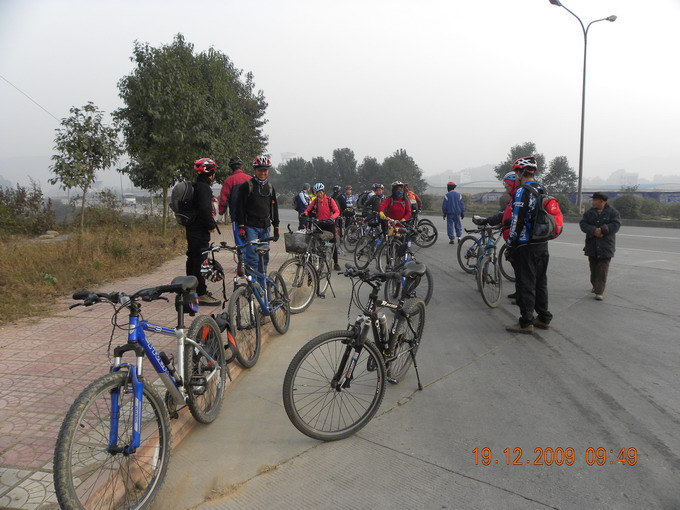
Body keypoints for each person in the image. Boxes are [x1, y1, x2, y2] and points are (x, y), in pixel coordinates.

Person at [505, 157, 552, 334]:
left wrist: (510, 242)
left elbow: (517, 220)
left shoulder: (522, 191)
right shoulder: (542, 188)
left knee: (526, 283)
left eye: (516, 172)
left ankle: (526, 322)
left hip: (526, 244)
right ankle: (544, 317)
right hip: (542, 242)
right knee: (540, 282)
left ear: (520, 172)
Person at [234, 156, 280, 289]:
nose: (263, 173)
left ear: (268, 171)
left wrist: (276, 226)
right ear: (255, 170)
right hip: (251, 227)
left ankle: (261, 286)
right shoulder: (247, 186)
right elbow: (240, 207)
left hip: (265, 227)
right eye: (260, 170)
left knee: (264, 258)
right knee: (252, 257)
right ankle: (252, 286)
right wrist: (241, 226)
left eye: (265, 170)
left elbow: (274, 208)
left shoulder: (270, 187)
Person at [187, 158, 221, 306]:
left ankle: (190, 290)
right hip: (200, 230)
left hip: (191, 228)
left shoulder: (194, 186)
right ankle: (201, 293)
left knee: (192, 259)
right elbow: (204, 209)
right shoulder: (204, 188)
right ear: (211, 174)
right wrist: (210, 225)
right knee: (201, 262)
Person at [481, 171, 519, 300]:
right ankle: (520, 292)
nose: (505, 186)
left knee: (521, 269)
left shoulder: (519, 197)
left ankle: (523, 298)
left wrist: (508, 221)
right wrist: (489, 220)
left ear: (513, 183)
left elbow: (517, 216)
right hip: (511, 237)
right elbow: (502, 214)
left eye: (506, 184)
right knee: (516, 267)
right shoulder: (513, 197)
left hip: (518, 239)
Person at [579, 192, 621, 301]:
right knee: (593, 268)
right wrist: (594, 231)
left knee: (602, 269)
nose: (592, 202)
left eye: (594, 200)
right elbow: (583, 224)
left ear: (602, 201)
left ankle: (599, 291)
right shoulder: (589, 213)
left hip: (606, 246)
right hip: (592, 245)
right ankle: (595, 285)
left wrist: (603, 230)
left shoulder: (613, 212)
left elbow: (616, 224)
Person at [302, 183, 341, 271]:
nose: (319, 194)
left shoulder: (330, 200)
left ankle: (336, 263)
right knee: (318, 243)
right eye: (317, 193)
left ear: (323, 192)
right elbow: (308, 210)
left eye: (320, 192)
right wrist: (304, 214)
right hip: (319, 224)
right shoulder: (315, 201)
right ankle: (320, 261)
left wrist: (332, 218)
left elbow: (337, 211)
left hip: (329, 224)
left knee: (332, 244)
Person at [217, 156, 252, 244]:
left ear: (231, 168)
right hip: (251, 216)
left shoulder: (229, 181)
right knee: (251, 242)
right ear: (241, 167)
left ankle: (242, 253)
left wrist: (221, 212)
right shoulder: (250, 179)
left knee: (240, 243)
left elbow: (223, 199)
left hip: (236, 217)